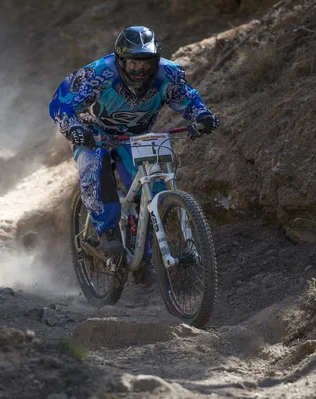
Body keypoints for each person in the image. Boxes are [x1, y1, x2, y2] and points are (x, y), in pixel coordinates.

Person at [49, 26, 219, 284]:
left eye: (146, 63)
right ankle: (107, 233)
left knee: (154, 190)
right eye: (133, 63)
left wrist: (202, 116)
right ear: (120, 61)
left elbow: (188, 98)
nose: (140, 70)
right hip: (93, 132)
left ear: (156, 61)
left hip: (136, 136)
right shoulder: (99, 73)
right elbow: (60, 103)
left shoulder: (168, 74)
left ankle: (145, 256)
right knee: (95, 167)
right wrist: (74, 129)